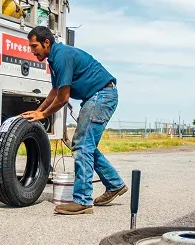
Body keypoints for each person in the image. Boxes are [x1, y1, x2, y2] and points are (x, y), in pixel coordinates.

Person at [21, 26, 127, 215]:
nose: (32, 51)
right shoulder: (54, 58)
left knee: (82, 146)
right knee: (87, 146)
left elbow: (63, 98)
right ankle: (115, 185)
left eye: (34, 46)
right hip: (97, 96)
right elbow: (55, 92)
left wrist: (44, 115)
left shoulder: (61, 56)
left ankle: (83, 201)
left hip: (101, 95)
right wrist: (37, 112)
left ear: (47, 42)